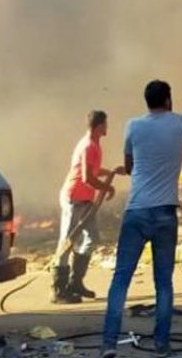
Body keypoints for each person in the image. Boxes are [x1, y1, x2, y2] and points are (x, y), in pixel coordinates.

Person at [101, 80, 182, 358]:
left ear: (146, 101)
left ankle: (109, 344)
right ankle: (162, 344)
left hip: (136, 212)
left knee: (120, 279)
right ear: (169, 100)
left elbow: (129, 165)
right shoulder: (179, 123)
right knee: (163, 282)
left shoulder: (133, 126)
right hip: (164, 215)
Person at [53, 110, 126, 304]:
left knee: (91, 238)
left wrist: (109, 173)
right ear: (99, 126)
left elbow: (93, 170)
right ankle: (59, 291)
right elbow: (87, 177)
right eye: (106, 124)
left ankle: (75, 282)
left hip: (85, 200)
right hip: (74, 198)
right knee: (67, 242)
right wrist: (107, 187)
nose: (107, 128)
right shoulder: (88, 146)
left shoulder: (94, 145)